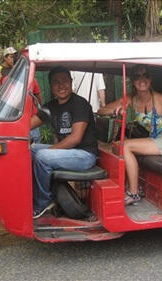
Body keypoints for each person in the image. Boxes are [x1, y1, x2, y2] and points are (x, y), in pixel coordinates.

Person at [98, 65, 162, 205]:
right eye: (137, 76)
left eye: (146, 75)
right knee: (117, 147)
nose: (142, 80)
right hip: (154, 139)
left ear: (151, 79)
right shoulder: (132, 99)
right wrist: (116, 111)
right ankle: (131, 186)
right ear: (132, 81)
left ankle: (134, 194)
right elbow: (102, 110)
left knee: (126, 146)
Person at [30, 66, 98, 218]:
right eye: (56, 82)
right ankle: (34, 194)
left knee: (42, 156)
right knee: (29, 150)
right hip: (67, 152)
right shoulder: (50, 107)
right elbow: (28, 124)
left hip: (84, 155)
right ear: (51, 86)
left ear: (71, 82)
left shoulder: (80, 104)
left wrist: (51, 150)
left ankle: (43, 203)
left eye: (64, 81)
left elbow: (75, 138)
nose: (61, 86)